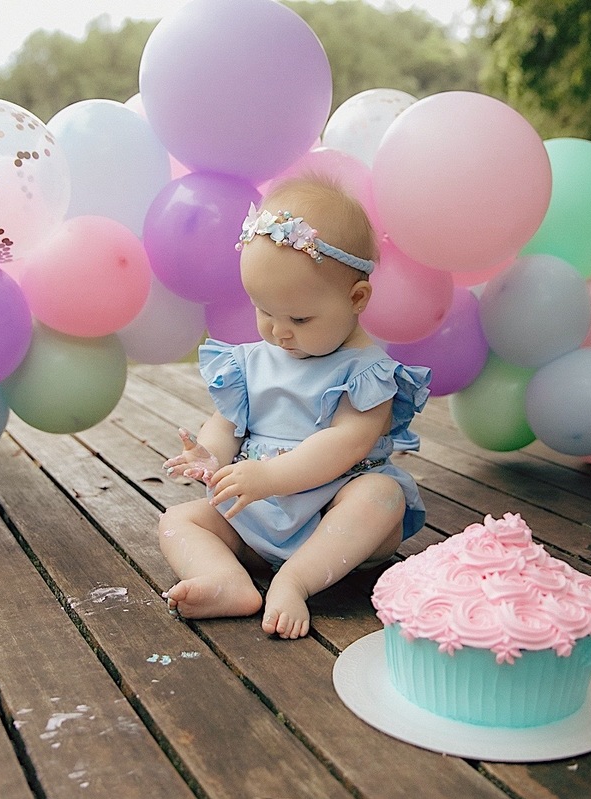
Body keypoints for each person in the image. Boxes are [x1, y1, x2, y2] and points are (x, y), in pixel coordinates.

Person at [158, 175, 431, 639]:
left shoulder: (366, 372)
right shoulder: (250, 362)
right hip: (255, 518)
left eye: (300, 318)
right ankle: (227, 581)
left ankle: (296, 580)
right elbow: (225, 423)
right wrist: (211, 456)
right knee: (179, 520)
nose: (278, 332)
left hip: (332, 522)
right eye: (263, 310)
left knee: (380, 498)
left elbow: (347, 443)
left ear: (357, 298)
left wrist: (270, 477)